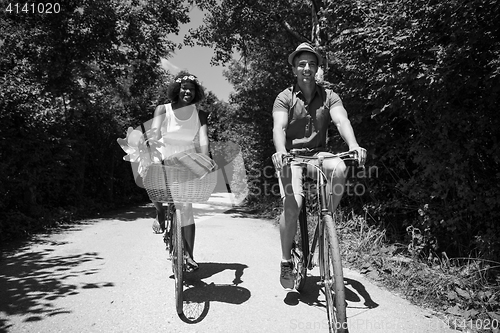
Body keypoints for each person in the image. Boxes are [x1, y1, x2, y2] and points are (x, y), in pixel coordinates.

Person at [271, 43, 367, 289]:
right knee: (293, 206)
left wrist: (354, 144)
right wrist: (281, 152)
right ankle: (285, 261)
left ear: (317, 69)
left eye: (312, 64)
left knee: (340, 168)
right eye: (302, 64)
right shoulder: (285, 97)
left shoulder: (329, 96)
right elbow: (279, 128)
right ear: (294, 68)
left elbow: (341, 119)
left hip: (319, 154)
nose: (307, 68)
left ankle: (327, 221)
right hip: (291, 156)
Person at [150, 71, 210, 272]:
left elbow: (203, 140)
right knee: (149, 176)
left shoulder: (200, 115)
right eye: (184, 87)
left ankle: (189, 255)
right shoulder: (163, 109)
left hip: (187, 159)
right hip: (164, 154)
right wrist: (153, 144)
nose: (188, 92)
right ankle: (160, 212)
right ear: (177, 89)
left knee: (186, 207)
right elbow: (155, 132)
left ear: (196, 92)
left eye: (192, 89)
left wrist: (205, 159)